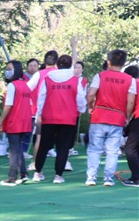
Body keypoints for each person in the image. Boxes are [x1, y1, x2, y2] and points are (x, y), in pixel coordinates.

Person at [84, 50, 137, 186]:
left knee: (94, 149)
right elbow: (131, 101)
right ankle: (108, 179)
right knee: (112, 151)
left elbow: (91, 94)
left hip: (99, 116)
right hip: (117, 118)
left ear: (108, 61)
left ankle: (91, 177)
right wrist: (127, 116)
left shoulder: (100, 76)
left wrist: (90, 106)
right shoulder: (130, 80)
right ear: (123, 63)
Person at [32, 54, 87, 183]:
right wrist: (81, 109)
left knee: (44, 146)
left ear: (57, 64)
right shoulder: (75, 80)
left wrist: (39, 113)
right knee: (63, 147)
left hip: (49, 117)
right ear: (70, 65)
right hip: (68, 118)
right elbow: (80, 98)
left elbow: (41, 97)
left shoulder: (48, 78)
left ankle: (37, 172)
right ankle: (58, 176)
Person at [0, 61, 34, 186]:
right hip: (25, 120)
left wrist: (0, 121)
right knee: (17, 148)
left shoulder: (12, 85)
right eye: (7, 68)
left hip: (15, 120)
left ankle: (12, 177)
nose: (7, 71)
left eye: (10, 69)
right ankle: (23, 174)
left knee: (13, 150)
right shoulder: (25, 85)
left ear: (16, 70)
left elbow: (8, 105)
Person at [121, 66, 139, 186]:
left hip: (137, 117)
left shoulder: (133, 84)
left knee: (130, 149)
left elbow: (130, 102)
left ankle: (137, 178)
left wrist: (126, 118)